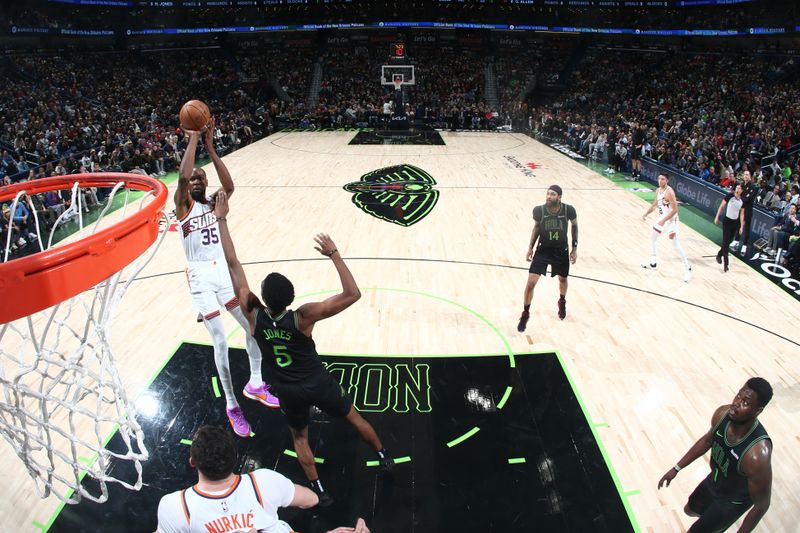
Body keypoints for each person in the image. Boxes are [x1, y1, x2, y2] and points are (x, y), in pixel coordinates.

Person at [212, 192, 393, 506]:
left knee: (300, 438)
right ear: (291, 296)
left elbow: (232, 263)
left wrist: (222, 218)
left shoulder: (253, 314)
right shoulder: (304, 316)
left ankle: (319, 491)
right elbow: (353, 294)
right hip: (317, 382)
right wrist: (334, 253)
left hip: (288, 390)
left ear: (264, 297)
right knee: (354, 417)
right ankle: (383, 455)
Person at [175, 117, 279, 438]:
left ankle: (256, 383)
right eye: (192, 178)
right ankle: (232, 405)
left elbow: (230, 187)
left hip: (222, 272)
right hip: (200, 278)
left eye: (199, 177)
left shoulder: (215, 204)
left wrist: (210, 148)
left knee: (254, 328)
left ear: (205, 183)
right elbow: (180, 178)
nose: (194, 179)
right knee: (220, 341)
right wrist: (193, 140)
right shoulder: (183, 207)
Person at [657, 377, 773, 533]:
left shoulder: (756, 455)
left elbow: (762, 504)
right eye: (738, 395)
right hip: (715, 481)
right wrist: (676, 468)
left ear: (757, 411)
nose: (736, 404)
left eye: (745, 403)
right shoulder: (722, 414)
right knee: (689, 510)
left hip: (731, 501)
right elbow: (706, 441)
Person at [156, 425, 319, 533]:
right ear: (236, 458)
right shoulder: (265, 481)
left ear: (192, 462)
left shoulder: (174, 506)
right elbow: (311, 500)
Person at [517, 185, 578, 332]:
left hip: (561, 250)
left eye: (552, 194)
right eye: (547, 194)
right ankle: (525, 313)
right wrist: (530, 247)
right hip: (543, 250)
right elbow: (537, 227)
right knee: (530, 283)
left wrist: (574, 249)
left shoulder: (568, 210)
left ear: (559, 197)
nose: (548, 197)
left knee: (563, 279)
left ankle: (562, 301)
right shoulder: (539, 210)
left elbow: (575, 226)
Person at [641, 173, 692, 282]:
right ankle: (653, 262)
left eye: (662, 179)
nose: (660, 180)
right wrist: (646, 213)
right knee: (652, 238)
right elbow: (655, 204)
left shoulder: (669, 192)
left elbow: (675, 210)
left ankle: (687, 268)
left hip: (672, 220)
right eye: (659, 178)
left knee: (675, 245)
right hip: (663, 219)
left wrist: (663, 221)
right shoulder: (658, 190)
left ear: (667, 181)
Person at [714, 184, 745, 273]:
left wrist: (741, 227)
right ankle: (726, 265)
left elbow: (742, 214)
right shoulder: (730, 196)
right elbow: (721, 206)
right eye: (737, 187)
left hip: (734, 223)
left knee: (728, 241)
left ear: (741, 191)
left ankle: (719, 255)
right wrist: (717, 217)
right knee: (726, 243)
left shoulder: (742, 201)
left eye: (740, 188)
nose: (738, 189)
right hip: (727, 222)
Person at [738, 170, 758, 255]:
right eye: (744, 174)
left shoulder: (753, 186)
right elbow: (739, 194)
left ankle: (744, 245)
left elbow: (748, 198)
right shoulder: (742, 185)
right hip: (741, 208)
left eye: (747, 175)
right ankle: (736, 240)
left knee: (746, 227)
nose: (745, 176)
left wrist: (741, 198)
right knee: (738, 224)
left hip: (748, 210)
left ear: (750, 176)